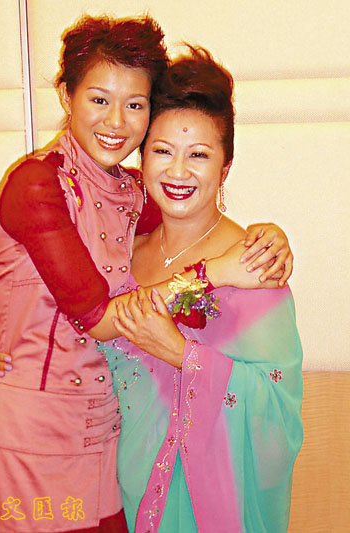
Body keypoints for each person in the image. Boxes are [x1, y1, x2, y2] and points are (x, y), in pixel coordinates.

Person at [0, 14, 294, 533]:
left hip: (109, 448)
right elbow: (100, 318)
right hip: (35, 445)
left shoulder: (132, 193)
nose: (116, 121)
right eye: (99, 99)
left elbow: (189, 213)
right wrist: (215, 273)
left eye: (135, 105)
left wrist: (269, 233)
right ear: (66, 95)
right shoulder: (38, 186)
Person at [96, 46, 303, 532]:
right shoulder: (120, 250)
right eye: (162, 150)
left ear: (225, 167)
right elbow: (86, 339)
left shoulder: (253, 263)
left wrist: (180, 353)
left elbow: (276, 417)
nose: (178, 172)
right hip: (116, 490)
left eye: (199, 155)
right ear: (141, 156)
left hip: (206, 510)